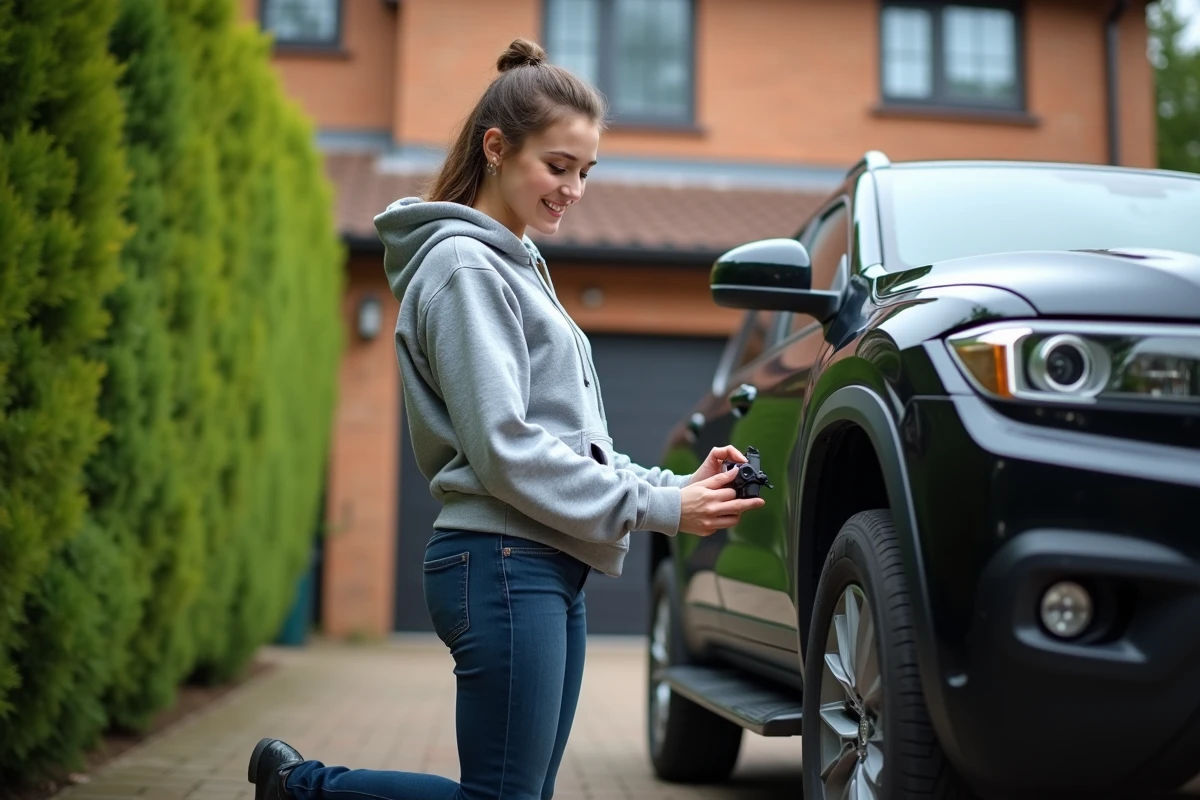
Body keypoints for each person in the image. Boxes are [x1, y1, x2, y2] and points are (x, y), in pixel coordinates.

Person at [247, 37, 766, 800]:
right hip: (499, 562)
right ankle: (301, 788)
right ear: (497, 148)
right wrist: (659, 507)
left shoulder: (517, 265)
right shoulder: (465, 268)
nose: (575, 189)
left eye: (586, 172)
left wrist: (674, 485)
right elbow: (505, 449)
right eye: (559, 166)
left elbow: (569, 444)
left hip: (549, 564)